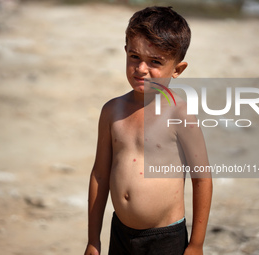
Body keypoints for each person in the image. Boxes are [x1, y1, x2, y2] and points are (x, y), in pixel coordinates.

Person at [84, 6, 212, 255]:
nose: (141, 69)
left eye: (155, 62)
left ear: (177, 69)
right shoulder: (112, 111)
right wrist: (93, 239)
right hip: (120, 232)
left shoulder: (179, 114)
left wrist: (196, 243)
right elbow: (99, 174)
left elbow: (202, 179)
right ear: (125, 53)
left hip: (165, 238)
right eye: (134, 57)